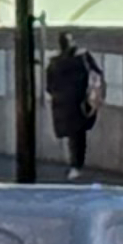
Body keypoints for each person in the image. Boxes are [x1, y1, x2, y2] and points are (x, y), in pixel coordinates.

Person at [45, 37, 106, 174]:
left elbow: (49, 86)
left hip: (62, 103)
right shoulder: (83, 58)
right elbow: (97, 73)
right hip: (80, 100)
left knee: (72, 135)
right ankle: (76, 164)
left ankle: (74, 164)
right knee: (78, 135)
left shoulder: (54, 62)